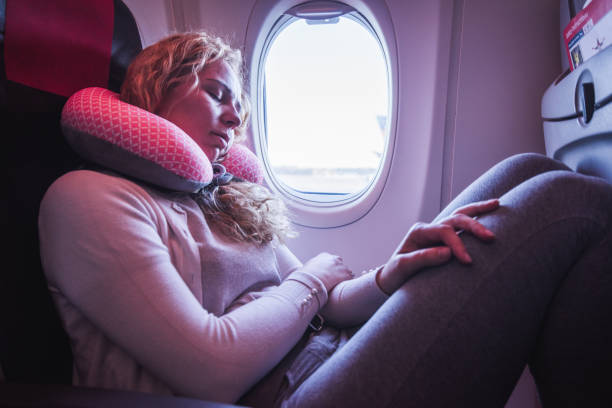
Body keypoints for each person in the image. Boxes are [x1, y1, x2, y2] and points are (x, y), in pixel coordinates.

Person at [38, 31, 612, 408]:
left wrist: (390, 273)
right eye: (217, 94)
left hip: (332, 352)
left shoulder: (222, 199)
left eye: (239, 105)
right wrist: (310, 280)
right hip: (288, 396)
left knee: (527, 169)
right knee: (570, 204)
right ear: (155, 91)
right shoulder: (91, 199)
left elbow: (327, 302)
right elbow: (212, 369)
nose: (235, 117)